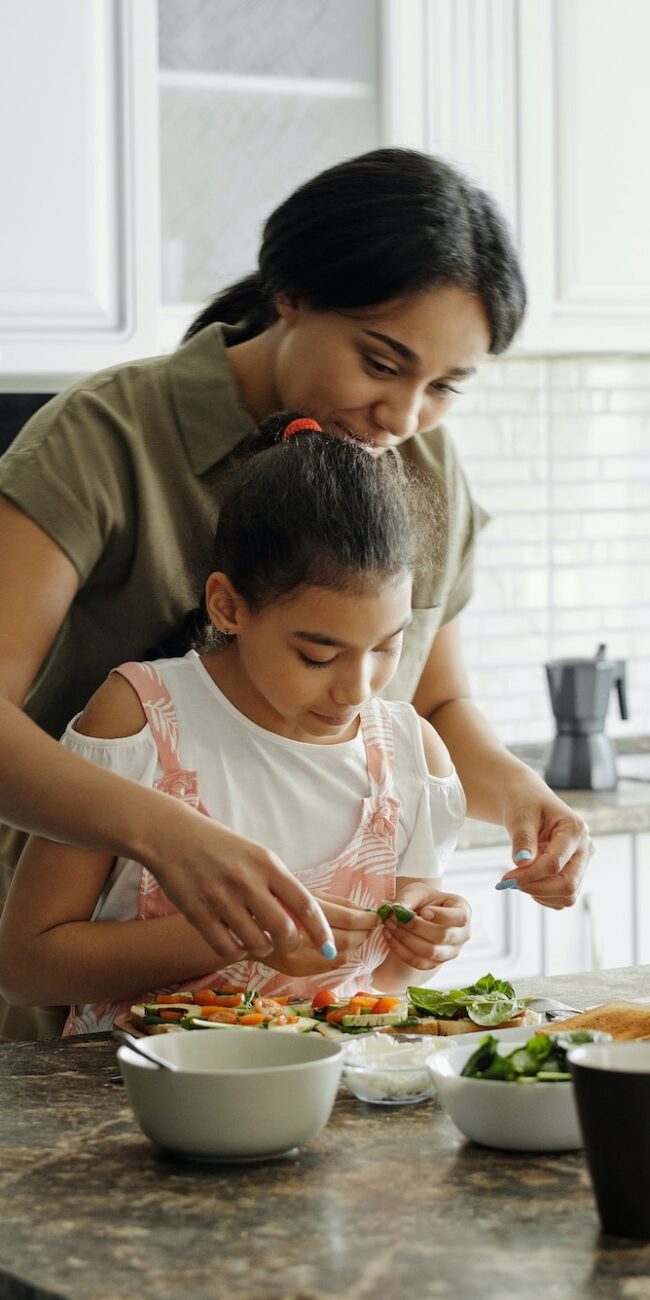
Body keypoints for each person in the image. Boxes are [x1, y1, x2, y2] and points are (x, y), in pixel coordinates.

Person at [0, 147, 592, 1040]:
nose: (404, 417)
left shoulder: (420, 464)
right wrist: (169, 836)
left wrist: (519, 796)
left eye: (444, 387)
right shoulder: (104, 437)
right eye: (381, 362)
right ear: (293, 297)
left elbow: (431, 703)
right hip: (84, 1013)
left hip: (308, 1028)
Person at [0, 418, 471, 1031]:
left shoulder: (411, 755)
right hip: (136, 1083)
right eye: (317, 655)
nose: (357, 689)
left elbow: (384, 983)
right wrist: (233, 937)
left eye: (387, 646)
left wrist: (424, 945)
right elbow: (26, 968)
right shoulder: (142, 719)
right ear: (228, 606)